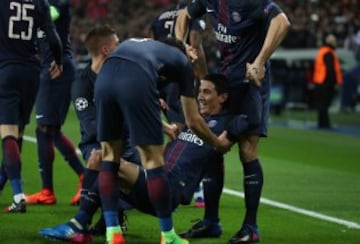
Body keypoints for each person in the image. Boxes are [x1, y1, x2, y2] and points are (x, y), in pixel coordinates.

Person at [40, 73, 233, 243]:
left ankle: (86, 226)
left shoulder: (227, 124)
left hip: (171, 189)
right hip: (154, 178)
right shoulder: (193, 121)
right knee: (97, 157)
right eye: (200, 91)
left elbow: (235, 135)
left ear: (223, 97)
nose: (200, 96)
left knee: (110, 162)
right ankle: (85, 224)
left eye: (207, 92)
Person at [94, 37, 230, 244]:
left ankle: (113, 233)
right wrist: (217, 143)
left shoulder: (145, 48)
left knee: (108, 157)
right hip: (135, 77)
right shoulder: (181, 61)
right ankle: (168, 236)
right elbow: (193, 120)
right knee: (153, 161)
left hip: (104, 76)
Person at [175, 1, 290, 243]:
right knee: (212, 147)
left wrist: (259, 61)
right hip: (226, 82)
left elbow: (282, 22)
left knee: (247, 150)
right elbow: (184, 14)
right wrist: (181, 43)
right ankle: (210, 221)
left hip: (251, 84)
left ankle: (250, 227)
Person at [71, 25, 140, 236]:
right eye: (117, 43)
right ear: (106, 50)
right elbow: (91, 126)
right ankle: (100, 219)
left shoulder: (123, 76)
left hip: (127, 143)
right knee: (100, 157)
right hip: (97, 143)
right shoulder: (82, 84)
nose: (122, 47)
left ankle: (103, 217)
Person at [0, 0, 63, 213]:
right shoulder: (40, 3)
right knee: (17, 134)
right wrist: (59, 61)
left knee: (8, 133)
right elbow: (53, 38)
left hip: (6, 69)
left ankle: (18, 197)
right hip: (31, 72)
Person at [149, 0, 209, 208]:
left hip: (161, 76)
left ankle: (165, 176)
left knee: (176, 128)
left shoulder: (160, 17)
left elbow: (153, 45)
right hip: (181, 76)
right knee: (190, 128)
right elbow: (196, 45)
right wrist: (204, 78)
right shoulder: (194, 18)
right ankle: (195, 187)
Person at [25, 0, 85, 206]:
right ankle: (74, 180)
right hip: (48, 68)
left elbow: (49, 13)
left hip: (58, 68)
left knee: (44, 129)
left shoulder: (57, 4)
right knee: (49, 131)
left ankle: (49, 190)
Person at [312, 34, 343, 129]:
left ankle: (322, 122)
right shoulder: (328, 53)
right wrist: (334, 83)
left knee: (322, 104)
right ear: (330, 42)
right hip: (325, 82)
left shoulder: (322, 51)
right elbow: (331, 69)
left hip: (319, 81)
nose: (336, 43)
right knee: (325, 104)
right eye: (334, 41)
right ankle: (325, 123)